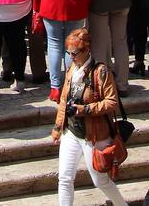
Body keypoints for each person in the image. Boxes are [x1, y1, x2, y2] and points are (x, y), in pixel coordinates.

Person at [49, 28, 126, 206]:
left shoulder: (101, 72)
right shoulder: (71, 70)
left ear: (86, 50)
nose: (71, 57)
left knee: (100, 180)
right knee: (65, 178)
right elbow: (63, 100)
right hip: (71, 132)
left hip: (94, 135)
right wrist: (57, 127)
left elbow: (112, 102)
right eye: (68, 53)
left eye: (74, 53)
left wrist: (85, 110)